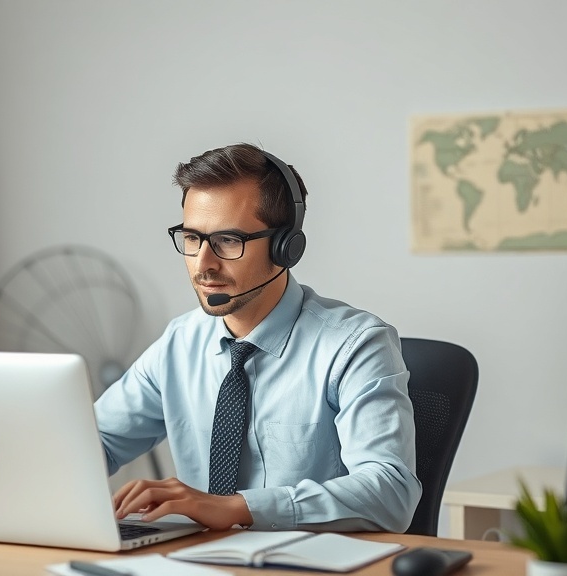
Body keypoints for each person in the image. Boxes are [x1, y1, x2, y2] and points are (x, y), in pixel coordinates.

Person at [94, 143, 420, 532]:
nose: (204, 264)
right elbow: (98, 442)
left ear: (286, 247)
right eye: (192, 238)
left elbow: (391, 493)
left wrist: (237, 508)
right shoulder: (180, 343)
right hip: (197, 562)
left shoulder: (356, 345)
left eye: (228, 241)